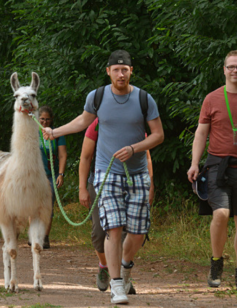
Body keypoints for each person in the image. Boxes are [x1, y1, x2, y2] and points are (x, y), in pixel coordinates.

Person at [42, 50, 164, 304]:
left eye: (125, 69)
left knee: (139, 231)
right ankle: (117, 285)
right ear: (108, 71)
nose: (121, 74)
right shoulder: (97, 97)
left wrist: (134, 148)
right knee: (113, 228)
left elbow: (158, 135)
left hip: (138, 173)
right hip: (106, 173)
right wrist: (54, 132)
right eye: (116, 69)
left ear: (132, 72)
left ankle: (125, 267)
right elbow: (82, 122)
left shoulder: (144, 98)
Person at [80, 118, 154, 293]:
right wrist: (82, 187)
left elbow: (147, 157)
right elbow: (85, 156)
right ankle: (104, 265)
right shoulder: (97, 124)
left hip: (132, 181)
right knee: (99, 233)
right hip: (101, 181)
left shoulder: (134, 121)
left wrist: (150, 184)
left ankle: (121, 277)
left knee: (125, 233)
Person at [188, 50, 237, 288]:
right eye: (231, 67)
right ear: (224, 70)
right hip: (217, 165)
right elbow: (201, 133)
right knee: (221, 214)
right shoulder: (212, 98)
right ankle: (217, 263)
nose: (235, 71)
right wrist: (194, 163)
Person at [38, 105, 67, 249]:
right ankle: (34, 235)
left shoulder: (57, 134)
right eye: (42, 119)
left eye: (47, 120)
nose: (44, 122)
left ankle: (45, 237)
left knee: (48, 206)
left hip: (51, 174)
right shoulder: (33, 133)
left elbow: (62, 155)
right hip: (35, 175)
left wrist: (61, 174)